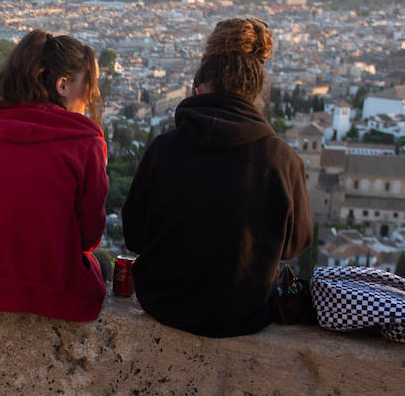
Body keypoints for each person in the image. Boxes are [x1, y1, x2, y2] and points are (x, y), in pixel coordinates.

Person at [122, 17, 311, 337]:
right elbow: (295, 244)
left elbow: (135, 235)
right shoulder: (282, 159)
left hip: (163, 303)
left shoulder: (163, 149)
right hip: (242, 314)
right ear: (254, 95)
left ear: (200, 89)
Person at [0, 29, 109, 322]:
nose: (89, 99)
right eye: (87, 86)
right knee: (102, 264)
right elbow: (89, 236)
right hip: (46, 288)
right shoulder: (85, 143)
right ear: (63, 85)